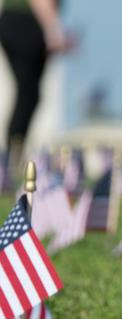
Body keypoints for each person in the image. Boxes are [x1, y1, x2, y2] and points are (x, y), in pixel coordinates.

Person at [0, 0, 66, 185]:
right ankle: (12, 159)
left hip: (13, 21)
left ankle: (12, 156)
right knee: (28, 95)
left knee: (27, 94)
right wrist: (53, 31)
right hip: (27, 22)